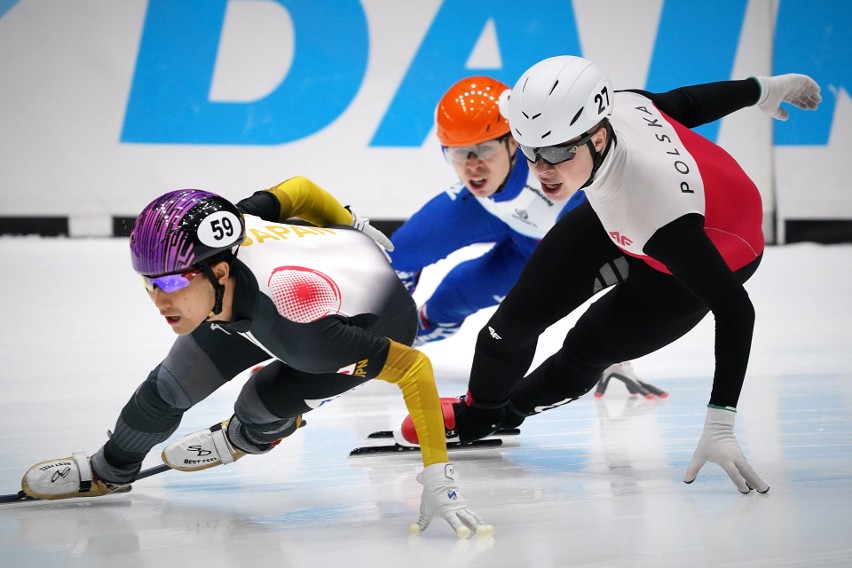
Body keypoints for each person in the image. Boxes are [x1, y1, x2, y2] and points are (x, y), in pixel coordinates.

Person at [20, 177, 493, 539]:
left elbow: (414, 367)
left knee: (259, 405)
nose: (159, 300)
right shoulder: (228, 230)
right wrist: (348, 221)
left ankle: (257, 434)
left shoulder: (300, 325)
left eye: (168, 283)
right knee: (165, 390)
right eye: (149, 282)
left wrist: (438, 474)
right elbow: (301, 190)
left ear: (218, 270)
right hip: (286, 287)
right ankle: (110, 470)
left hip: (359, 322)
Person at [439, 57, 821, 493]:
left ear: (598, 138)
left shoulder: (658, 213)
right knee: (509, 327)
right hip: (624, 209)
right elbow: (688, 104)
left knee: (584, 349)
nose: (543, 169)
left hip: (707, 247)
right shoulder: (619, 106)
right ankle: (478, 414)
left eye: (559, 152)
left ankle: (509, 414)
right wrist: (763, 88)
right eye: (530, 152)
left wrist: (721, 421)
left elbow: (736, 309)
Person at [389, 75, 664, 399]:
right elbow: (400, 257)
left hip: (541, 251)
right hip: (488, 212)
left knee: (448, 303)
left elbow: (621, 259)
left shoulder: (565, 172)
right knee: (400, 252)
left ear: (514, 141)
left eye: (485, 149)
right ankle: (375, 344)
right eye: (460, 154)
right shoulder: (478, 185)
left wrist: (615, 354)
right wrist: (373, 327)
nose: (473, 166)